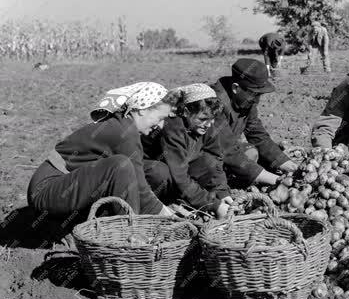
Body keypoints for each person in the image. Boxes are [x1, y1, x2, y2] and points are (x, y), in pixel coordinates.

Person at [28, 82, 182, 217]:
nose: (160, 126)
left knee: (154, 170)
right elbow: (140, 189)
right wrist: (168, 215)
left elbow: (139, 176)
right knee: (121, 166)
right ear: (142, 109)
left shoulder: (122, 123)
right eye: (160, 118)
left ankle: (105, 219)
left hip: (64, 184)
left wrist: (164, 209)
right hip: (45, 191)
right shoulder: (124, 132)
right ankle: (129, 233)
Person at [142, 83, 232, 218]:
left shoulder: (206, 125)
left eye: (212, 119)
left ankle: (186, 200)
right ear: (186, 112)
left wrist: (222, 192)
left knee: (209, 162)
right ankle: (161, 204)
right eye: (203, 119)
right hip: (155, 174)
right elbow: (180, 176)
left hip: (179, 172)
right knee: (159, 172)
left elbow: (215, 156)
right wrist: (213, 205)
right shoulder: (173, 128)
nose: (209, 124)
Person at [209, 58, 298, 187]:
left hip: (225, 151)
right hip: (200, 160)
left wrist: (285, 163)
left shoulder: (245, 102)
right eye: (254, 94)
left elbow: (258, 135)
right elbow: (226, 148)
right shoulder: (213, 104)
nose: (257, 101)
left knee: (258, 155)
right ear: (236, 88)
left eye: (259, 95)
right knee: (249, 154)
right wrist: (276, 180)